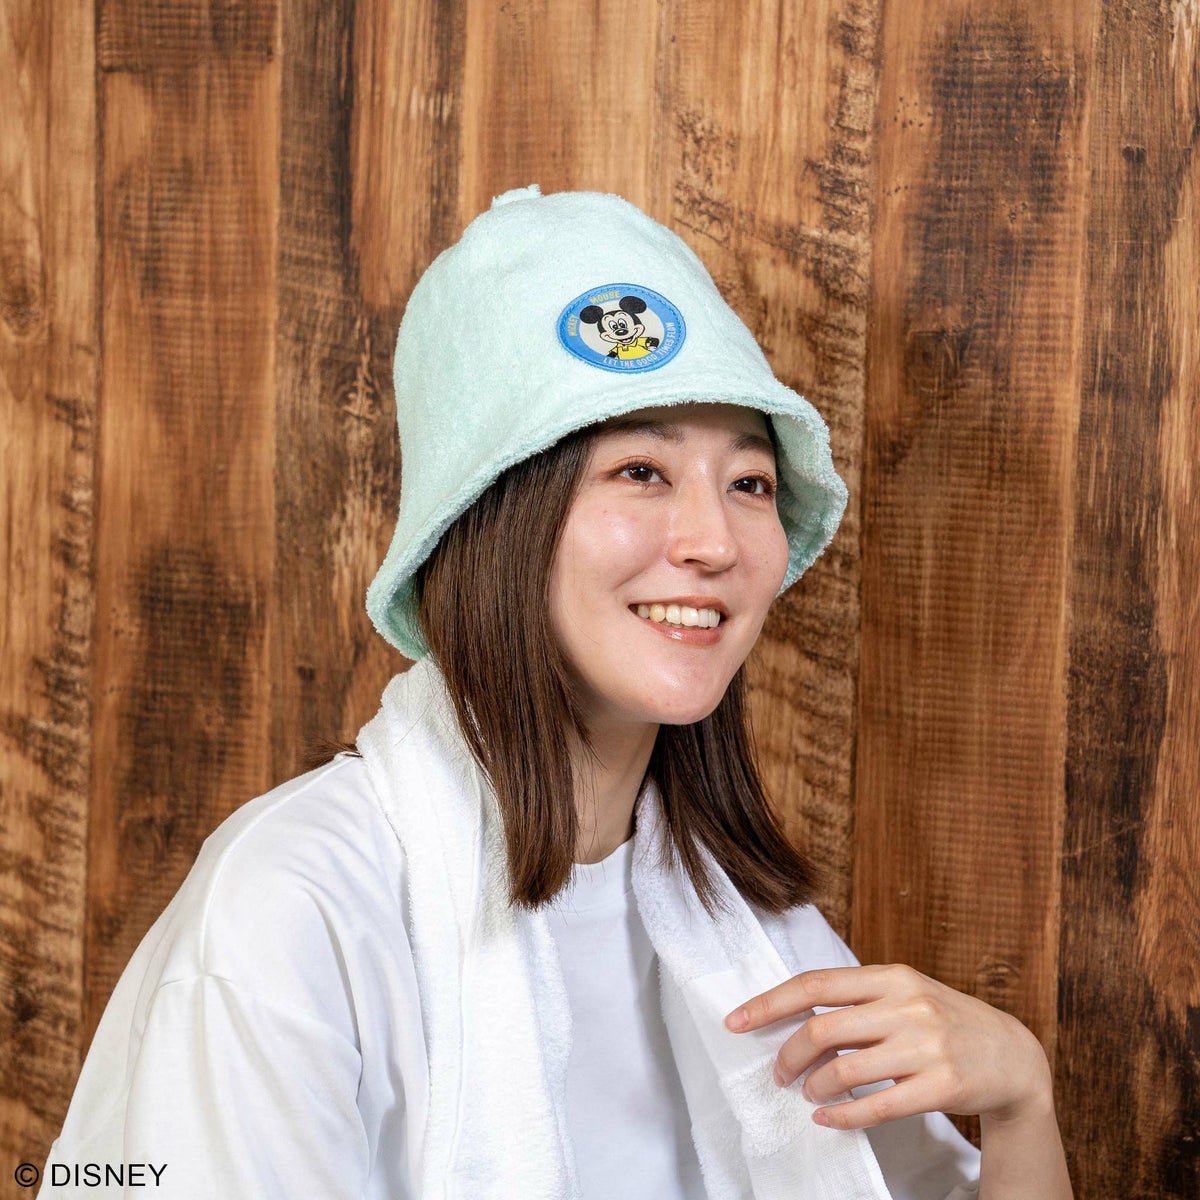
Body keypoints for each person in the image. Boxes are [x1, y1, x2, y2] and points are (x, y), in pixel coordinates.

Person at [36, 185, 1072, 1199]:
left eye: (749, 482)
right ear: (494, 521)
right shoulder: (295, 906)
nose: (714, 542)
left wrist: (1021, 1095)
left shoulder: (753, 930)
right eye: (640, 471)